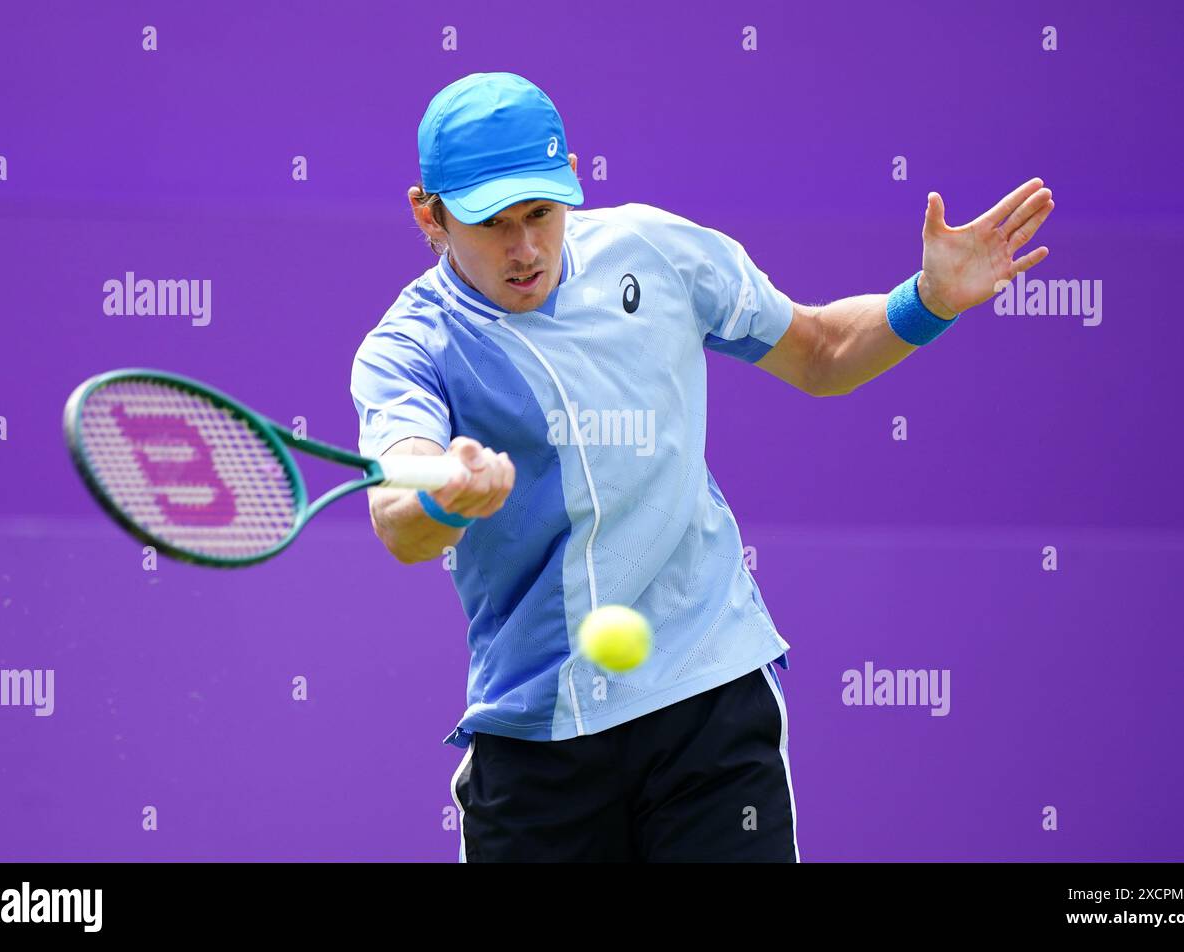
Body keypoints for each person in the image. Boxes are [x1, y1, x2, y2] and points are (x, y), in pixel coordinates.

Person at [350, 71, 1054, 862]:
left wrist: (926, 299)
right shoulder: (408, 348)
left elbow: (820, 352)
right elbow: (398, 518)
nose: (524, 249)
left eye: (542, 213)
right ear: (428, 213)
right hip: (536, 736)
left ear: (570, 183)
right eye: (491, 223)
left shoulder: (655, 252)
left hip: (705, 699)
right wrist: (446, 497)